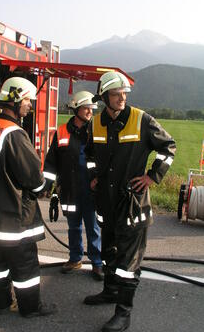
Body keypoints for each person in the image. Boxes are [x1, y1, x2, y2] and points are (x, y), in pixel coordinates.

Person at [83, 71, 176, 332]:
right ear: (104, 97)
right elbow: (89, 153)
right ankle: (110, 291)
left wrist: (151, 176)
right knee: (109, 252)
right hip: (106, 202)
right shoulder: (97, 123)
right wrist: (93, 176)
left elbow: (168, 147)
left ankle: (123, 314)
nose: (122, 98)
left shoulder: (141, 120)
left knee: (128, 262)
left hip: (132, 203)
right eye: (116, 94)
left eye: (124, 93)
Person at [0, 77, 56, 317]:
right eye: (27, 100)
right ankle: (30, 307)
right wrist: (42, 189)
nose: (29, 106)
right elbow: (32, 177)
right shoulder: (15, 134)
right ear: (16, 100)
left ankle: (2, 303)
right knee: (25, 265)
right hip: (15, 217)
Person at [43, 91, 103, 280]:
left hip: (90, 189)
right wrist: (48, 185)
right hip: (69, 189)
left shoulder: (95, 131)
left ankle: (97, 263)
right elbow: (52, 161)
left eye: (92, 109)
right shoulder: (61, 131)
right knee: (73, 226)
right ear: (76, 109)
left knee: (93, 227)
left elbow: (104, 160)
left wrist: (99, 179)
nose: (90, 112)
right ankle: (75, 258)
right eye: (87, 108)